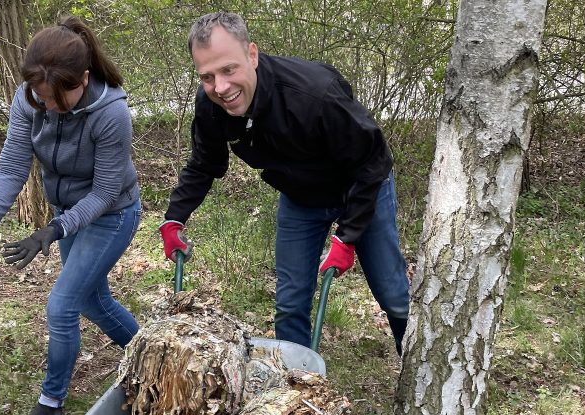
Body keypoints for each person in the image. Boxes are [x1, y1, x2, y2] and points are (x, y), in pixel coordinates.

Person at [0, 16, 141, 415]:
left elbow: (104, 192)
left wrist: (53, 229)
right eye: (40, 97)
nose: (47, 106)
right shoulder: (30, 99)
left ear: (83, 79)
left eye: (57, 99)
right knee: (92, 301)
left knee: (62, 305)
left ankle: (51, 401)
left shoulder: (112, 113)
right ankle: (152, 353)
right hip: (69, 214)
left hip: (112, 214)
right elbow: (12, 165)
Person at [159, 12, 409, 356]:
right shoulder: (212, 105)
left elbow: (373, 161)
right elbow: (205, 163)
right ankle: (293, 393)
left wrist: (348, 236)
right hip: (301, 199)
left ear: (252, 55)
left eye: (229, 69)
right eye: (207, 76)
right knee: (290, 305)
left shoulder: (314, 94)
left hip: (362, 187)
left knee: (393, 295)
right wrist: (175, 217)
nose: (220, 87)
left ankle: (415, 368)